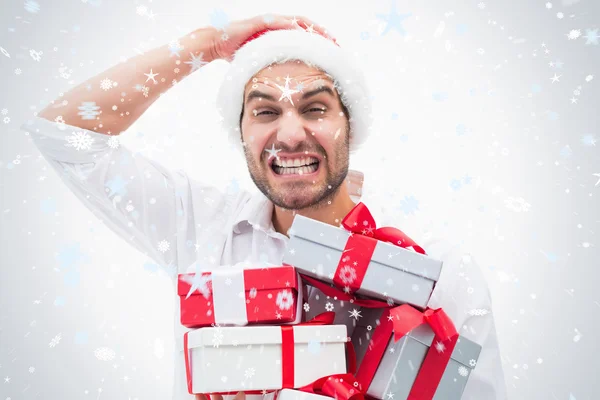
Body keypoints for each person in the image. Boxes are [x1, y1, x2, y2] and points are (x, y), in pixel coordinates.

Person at [21, 14, 507, 400]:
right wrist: (207, 45)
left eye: (315, 108)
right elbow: (64, 134)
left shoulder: (436, 268)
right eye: (266, 111)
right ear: (241, 134)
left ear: (351, 127)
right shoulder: (201, 227)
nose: (291, 134)